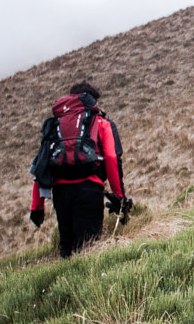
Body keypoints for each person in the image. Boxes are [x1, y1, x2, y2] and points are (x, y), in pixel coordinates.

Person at [28, 81, 129, 257]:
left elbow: (41, 165)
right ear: (91, 101)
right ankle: (88, 283)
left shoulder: (55, 125)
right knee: (90, 248)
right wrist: (119, 197)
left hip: (61, 192)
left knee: (67, 247)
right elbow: (112, 158)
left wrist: (37, 206)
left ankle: (66, 281)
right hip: (90, 188)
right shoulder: (100, 123)